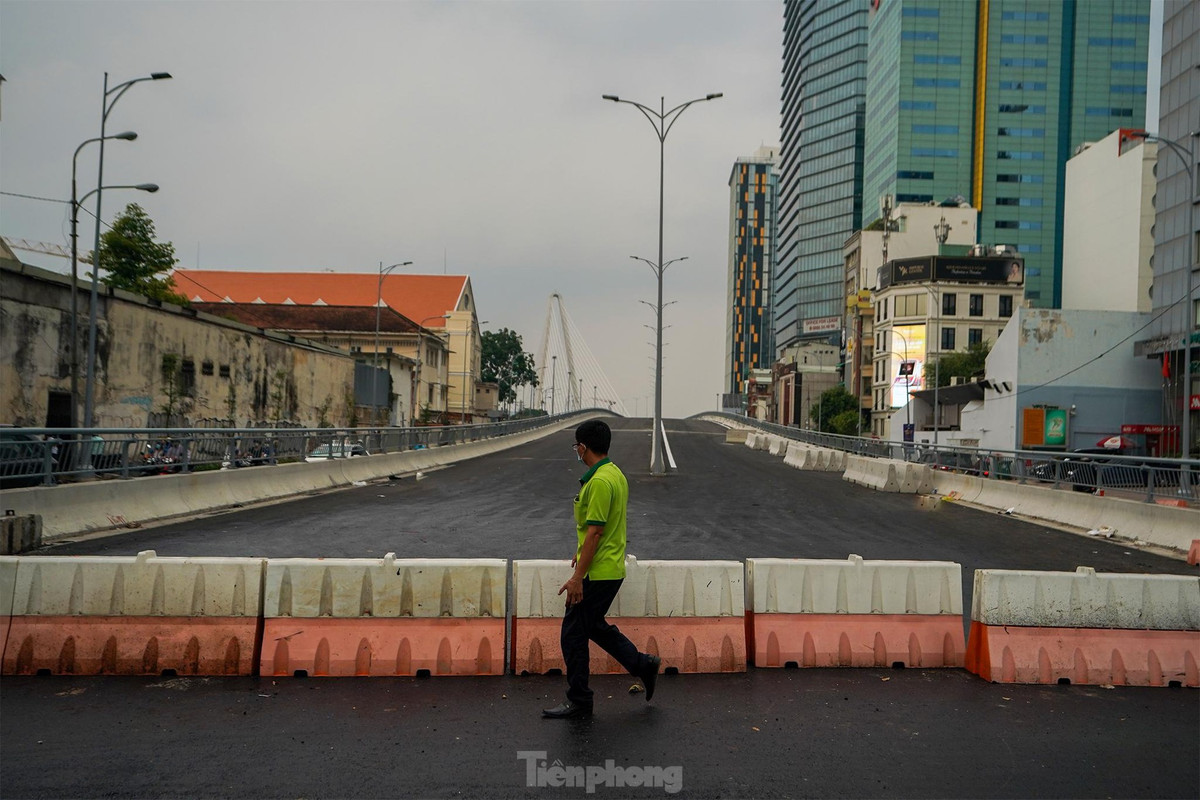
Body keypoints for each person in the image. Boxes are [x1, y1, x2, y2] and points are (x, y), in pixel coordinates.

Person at [542, 419, 661, 720]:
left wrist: (577, 577)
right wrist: (581, 550)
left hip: (598, 572)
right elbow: (601, 528)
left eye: (577, 447)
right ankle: (642, 664)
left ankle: (580, 700)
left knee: (572, 634)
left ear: (583, 447)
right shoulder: (615, 474)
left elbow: (595, 532)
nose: (577, 452)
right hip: (610, 567)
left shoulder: (598, 482)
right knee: (591, 625)